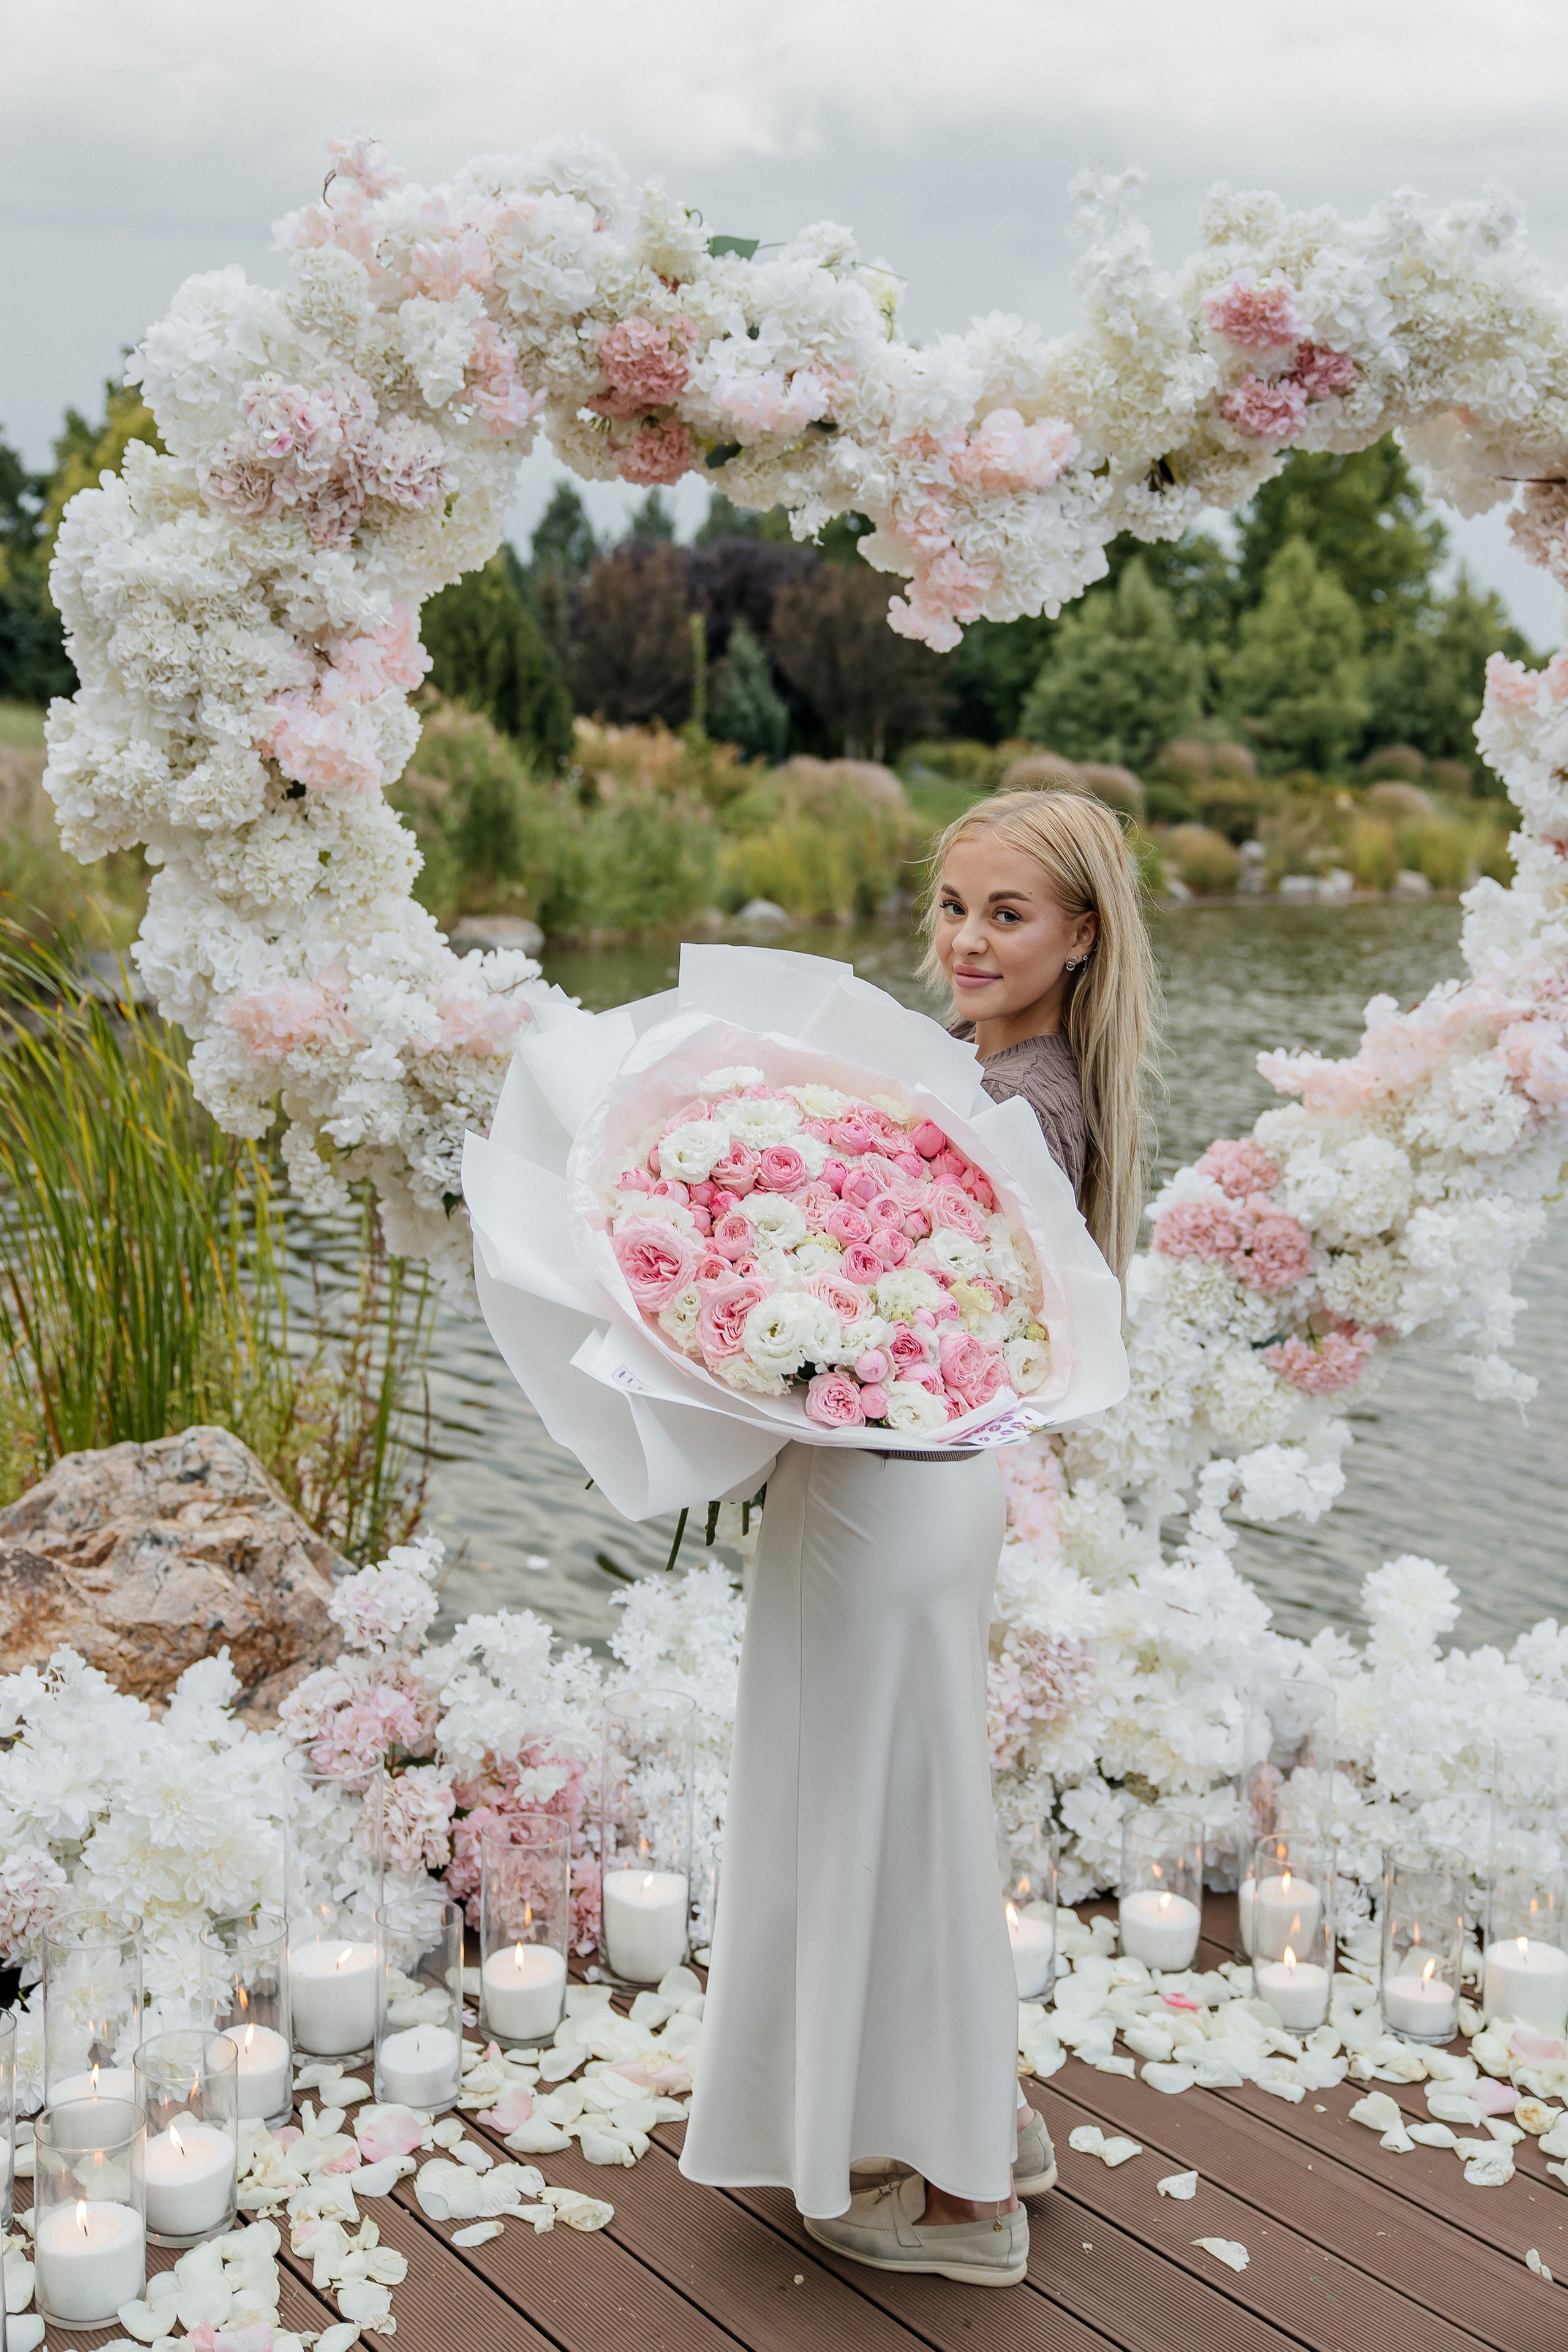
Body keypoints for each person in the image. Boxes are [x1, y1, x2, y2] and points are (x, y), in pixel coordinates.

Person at [679, 788, 1158, 2286]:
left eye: (1005, 914)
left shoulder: (1013, 1101)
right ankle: (975, 2123)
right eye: (951, 905)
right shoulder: (1009, 1070)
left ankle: (954, 2200)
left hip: (890, 1488)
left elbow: (903, 1320)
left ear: (1080, 936)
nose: (963, 938)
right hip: (915, 1485)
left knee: (872, 1822)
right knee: (909, 1812)